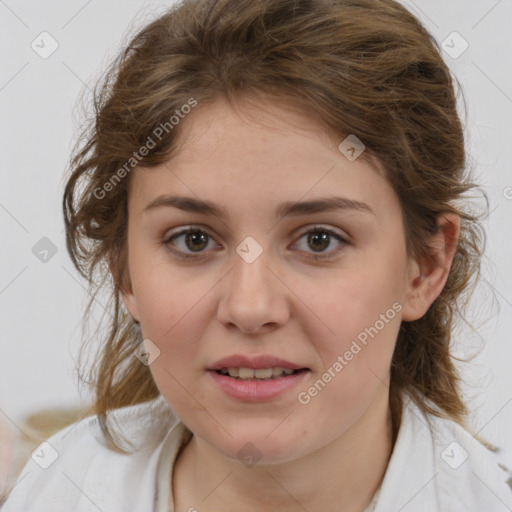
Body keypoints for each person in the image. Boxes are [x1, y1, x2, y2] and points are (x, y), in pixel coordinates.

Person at [3, 0, 512, 510]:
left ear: (424, 267)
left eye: (319, 240)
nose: (250, 308)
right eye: (193, 240)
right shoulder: (52, 492)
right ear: (125, 272)